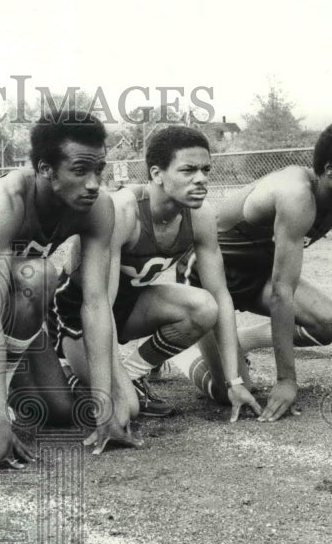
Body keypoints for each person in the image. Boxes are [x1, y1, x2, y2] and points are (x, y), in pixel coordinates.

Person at [0, 108, 140, 475]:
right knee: (37, 275)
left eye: (99, 170)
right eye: (80, 171)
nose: (94, 183)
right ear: (45, 169)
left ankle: (10, 380)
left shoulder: (98, 207)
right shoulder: (7, 198)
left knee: (59, 411)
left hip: (19, 301)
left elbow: (96, 303)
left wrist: (105, 406)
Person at [177, 119, 332, 420]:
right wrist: (286, 380)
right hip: (208, 276)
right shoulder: (295, 194)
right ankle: (184, 354)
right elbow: (282, 292)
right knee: (231, 393)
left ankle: (237, 340)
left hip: (258, 275)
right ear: (330, 170)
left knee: (329, 324)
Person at [54, 125, 262, 424]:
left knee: (204, 307)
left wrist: (235, 381)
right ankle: (67, 371)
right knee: (127, 410)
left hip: (125, 307)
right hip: (77, 317)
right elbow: (97, 303)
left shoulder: (200, 214)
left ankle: (135, 374)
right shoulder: (122, 211)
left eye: (206, 169)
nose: (201, 179)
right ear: (156, 174)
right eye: (188, 170)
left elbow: (221, 296)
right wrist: (112, 387)